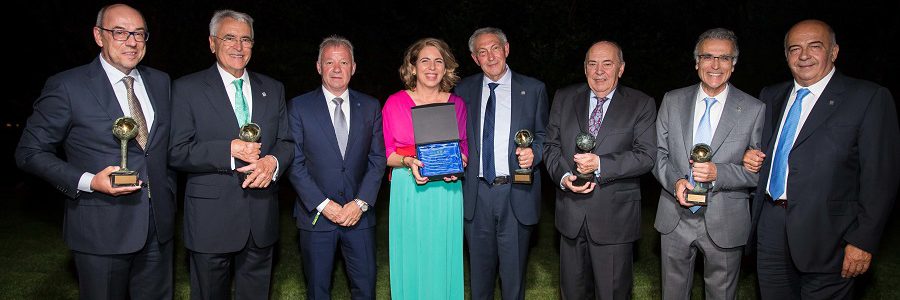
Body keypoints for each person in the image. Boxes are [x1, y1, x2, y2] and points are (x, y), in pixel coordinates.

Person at [14, 4, 175, 299]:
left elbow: (160, 150)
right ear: (99, 36)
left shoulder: (161, 82)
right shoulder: (67, 86)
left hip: (158, 227)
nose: (132, 41)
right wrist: (89, 181)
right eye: (120, 32)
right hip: (101, 228)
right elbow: (29, 152)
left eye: (139, 33)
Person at [741, 19, 900, 299]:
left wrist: (863, 239)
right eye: (794, 48)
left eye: (815, 46)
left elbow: (881, 178)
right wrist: (751, 156)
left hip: (830, 234)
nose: (803, 55)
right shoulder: (771, 95)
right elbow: (768, 149)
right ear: (786, 55)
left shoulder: (868, 97)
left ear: (834, 52)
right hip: (771, 225)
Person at [169, 9, 293, 299]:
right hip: (210, 221)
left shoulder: (273, 89)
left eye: (246, 39)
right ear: (212, 43)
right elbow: (176, 152)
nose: (239, 46)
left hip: (261, 219)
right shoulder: (187, 89)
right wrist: (228, 149)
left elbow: (287, 141)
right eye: (230, 38)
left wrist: (273, 163)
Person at [651, 28, 763, 300]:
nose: (715, 65)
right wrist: (675, 181)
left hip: (725, 219)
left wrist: (718, 173)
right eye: (707, 57)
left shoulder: (754, 109)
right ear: (696, 62)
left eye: (724, 58)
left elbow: (758, 173)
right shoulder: (672, 100)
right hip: (674, 217)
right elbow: (656, 154)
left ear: (733, 64)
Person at [543, 40, 655, 300]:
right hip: (570, 216)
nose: (599, 71)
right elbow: (550, 146)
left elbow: (647, 155)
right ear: (585, 69)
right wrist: (563, 177)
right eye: (592, 64)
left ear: (621, 68)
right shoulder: (564, 97)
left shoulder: (641, 103)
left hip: (615, 219)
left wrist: (601, 164)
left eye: (607, 64)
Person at [288, 35, 385, 300]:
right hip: (317, 218)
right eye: (329, 62)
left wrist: (361, 202)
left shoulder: (370, 106)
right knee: (318, 290)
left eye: (343, 62)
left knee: (365, 288)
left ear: (353, 67)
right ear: (318, 66)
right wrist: (323, 204)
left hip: (359, 217)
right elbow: (294, 163)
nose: (337, 68)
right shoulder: (298, 107)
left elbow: (377, 159)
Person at [454, 27, 548, 300]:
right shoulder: (463, 90)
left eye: (495, 48)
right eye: (482, 52)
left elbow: (545, 136)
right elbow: (456, 136)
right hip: (477, 193)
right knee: (479, 279)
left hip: (516, 191)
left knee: (513, 278)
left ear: (506, 49)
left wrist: (536, 153)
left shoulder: (532, 89)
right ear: (475, 58)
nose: (490, 56)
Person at [382, 37, 467, 299]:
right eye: (425, 60)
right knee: (411, 256)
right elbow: (386, 154)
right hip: (408, 190)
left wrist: (459, 163)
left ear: (446, 67)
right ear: (413, 66)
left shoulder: (457, 104)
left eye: (438, 61)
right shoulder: (394, 103)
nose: (432, 67)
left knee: (442, 257)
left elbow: (463, 150)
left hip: (446, 191)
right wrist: (408, 161)